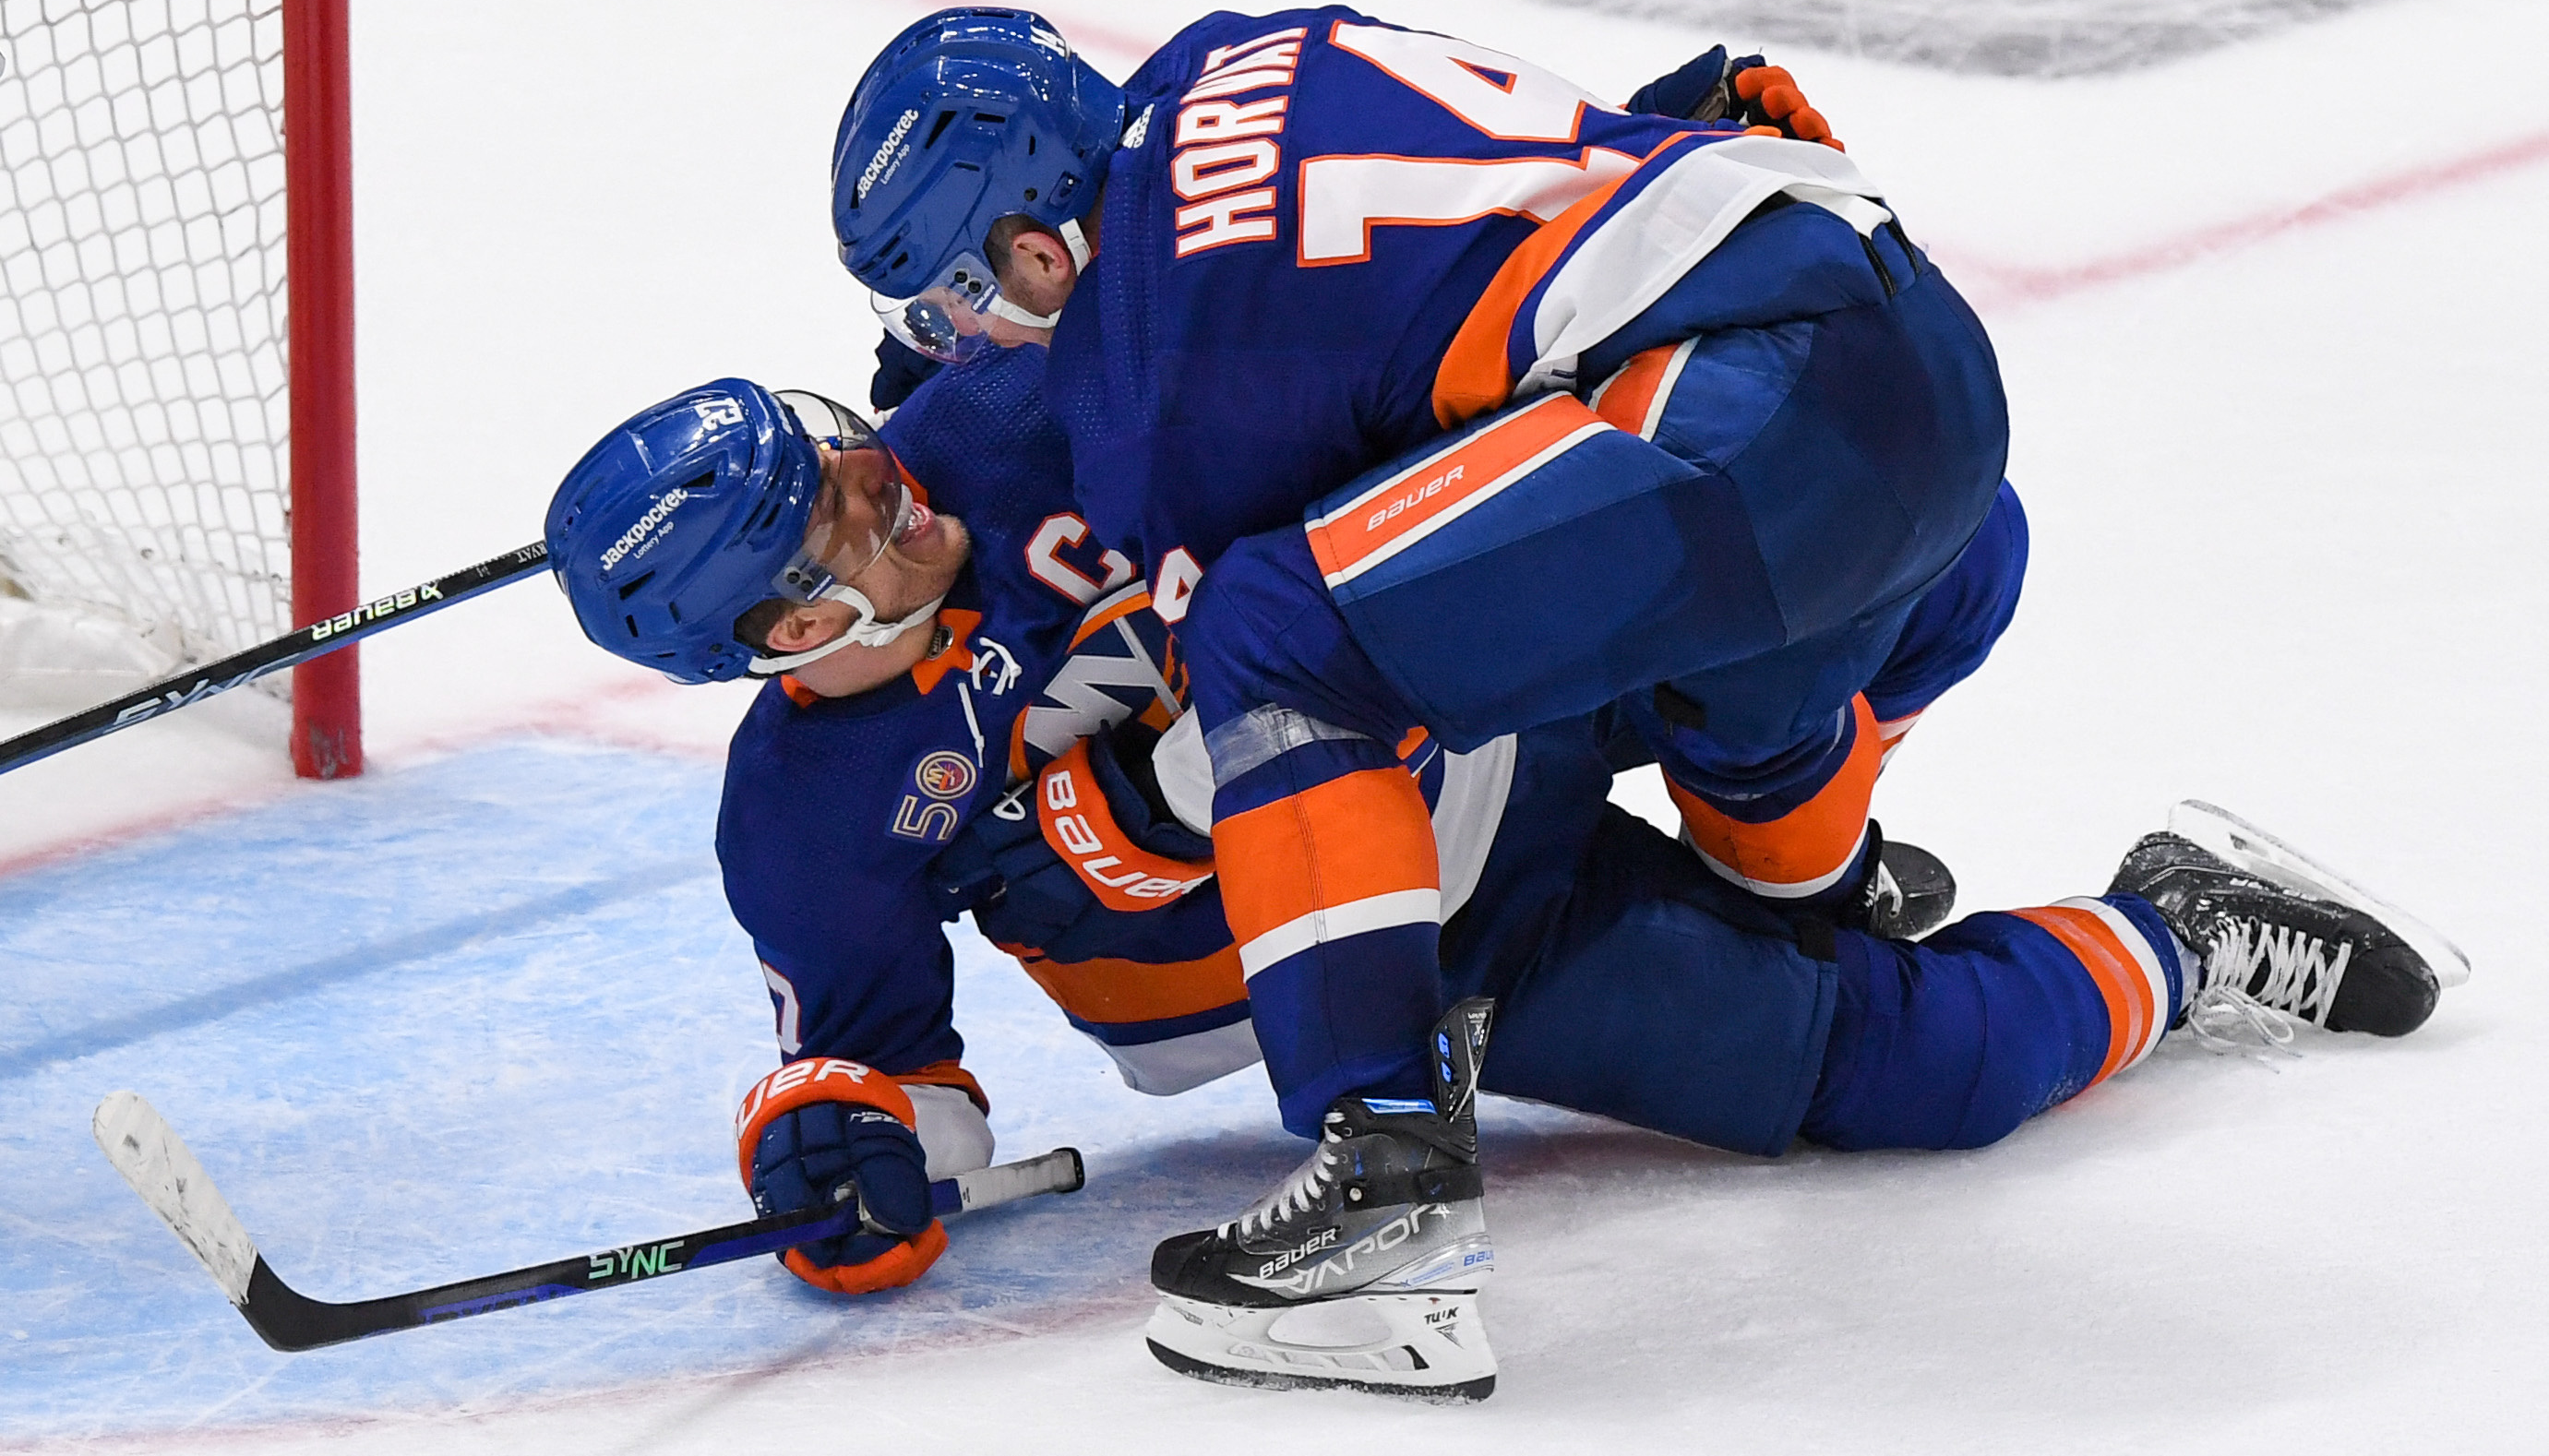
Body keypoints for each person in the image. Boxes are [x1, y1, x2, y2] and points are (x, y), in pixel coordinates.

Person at [545, 359, 2453, 1399]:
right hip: (1446, 950)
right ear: (789, 634)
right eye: (842, 519)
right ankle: (2181, 930)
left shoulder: (998, 418)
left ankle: (1807, 852)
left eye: (845, 451)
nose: (889, 483)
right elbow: (879, 1069)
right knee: (1922, 1080)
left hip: (1461, 691)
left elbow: (1301, 380)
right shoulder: (797, 823)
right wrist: (846, 1160)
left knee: (1906, 554)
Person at [827, 9, 2019, 1350]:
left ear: (1039, 251)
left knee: (1267, 640)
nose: (954, 335)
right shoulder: (1222, 54)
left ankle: (1385, 1172)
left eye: (951, 302)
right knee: (1768, 709)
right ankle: (1820, 890)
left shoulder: (1150, 392)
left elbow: (1274, 620)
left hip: (1741, 419)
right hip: (1901, 351)